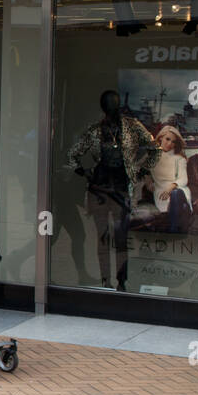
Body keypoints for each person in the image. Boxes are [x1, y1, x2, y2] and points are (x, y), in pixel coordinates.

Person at [65, 89, 158, 292]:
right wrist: (86, 172)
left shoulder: (133, 127)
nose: (112, 107)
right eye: (109, 104)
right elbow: (72, 155)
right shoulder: (95, 130)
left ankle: (121, 281)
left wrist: (141, 170)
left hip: (122, 189)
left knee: (121, 237)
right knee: (103, 238)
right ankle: (105, 280)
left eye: (114, 103)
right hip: (99, 189)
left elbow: (154, 148)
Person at [149, 125, 192, 233]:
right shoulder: (152, 156)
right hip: (161, 191)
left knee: (175, 194)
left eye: (173, 142)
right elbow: (142, 170)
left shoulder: (179, 158)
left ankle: (173, 231)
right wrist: (147, 180)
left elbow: (183, 179)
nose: (170, 144)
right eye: (167, 139)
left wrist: (171, 188)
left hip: (178, 189)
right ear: (160, 138)